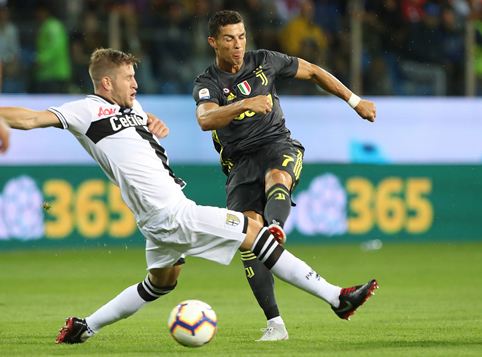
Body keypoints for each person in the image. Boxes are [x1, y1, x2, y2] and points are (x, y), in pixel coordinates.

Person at [0, 48, 377, 345]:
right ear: (105, 83)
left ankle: (86, 327)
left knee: (161, 283)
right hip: (172, 212)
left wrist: (151, 127)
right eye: (128, 78)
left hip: (154, 219)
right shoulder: (84, 110)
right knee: (255, 232)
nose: (135, 83)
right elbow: (31, 118)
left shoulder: (132, 109)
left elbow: (134, 140)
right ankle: (336, 298)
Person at [193, 10, 376, 341]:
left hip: (278, 145)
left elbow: (315, 71)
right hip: (239, 163)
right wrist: (245, 103)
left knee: (278, 177)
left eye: (242, 36)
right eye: (229, 39)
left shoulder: (265, 60)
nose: (238, 45)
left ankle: (275, 227)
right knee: (248, 239)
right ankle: (275, 324)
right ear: (213, 42)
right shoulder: (208, 83)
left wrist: (354, 100)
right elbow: (206, 119)